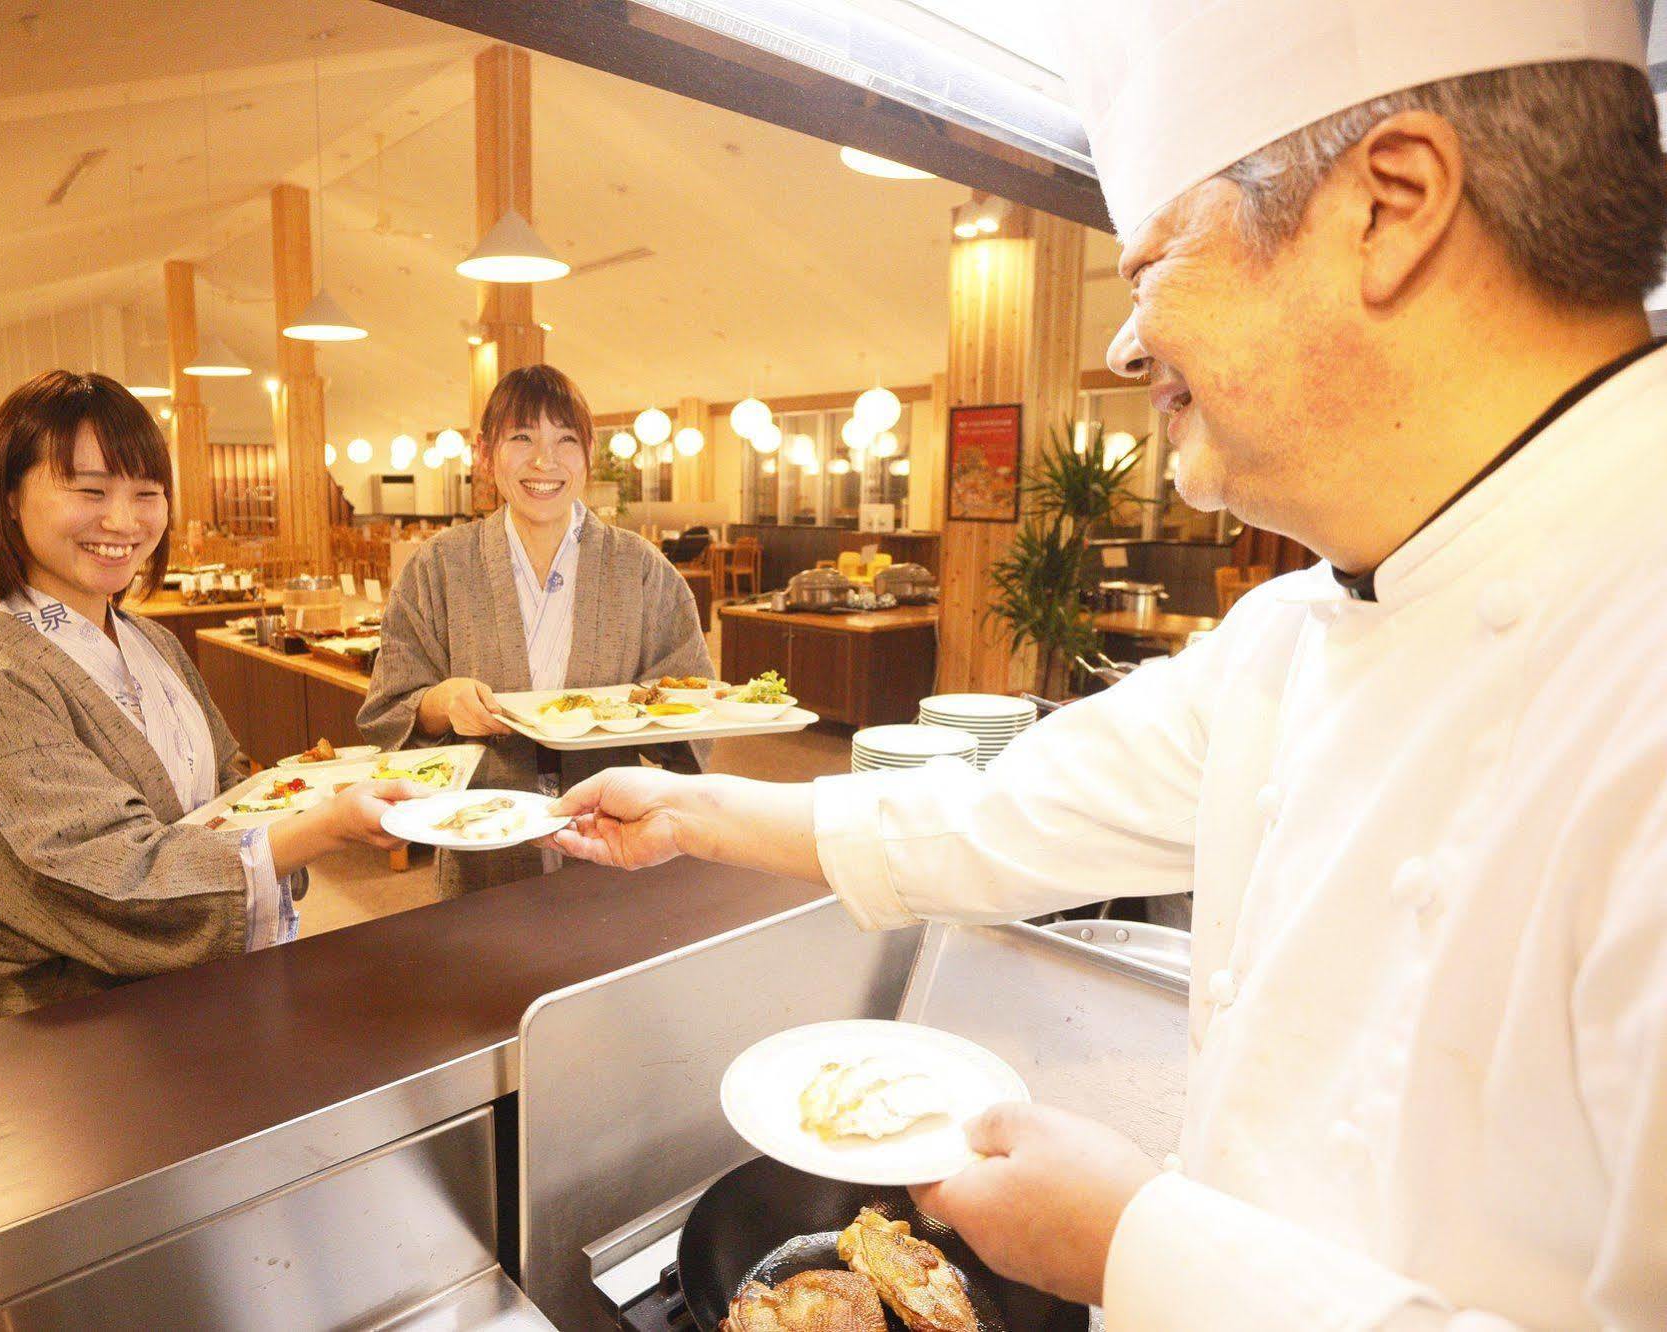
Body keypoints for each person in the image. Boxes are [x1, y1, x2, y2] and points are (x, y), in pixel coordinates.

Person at [551, 3, 1667, 1326]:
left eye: (1151, 264)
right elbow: (1003, 809)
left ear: (1391, 205)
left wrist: (1138, 1250)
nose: (1128, 343)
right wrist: (693, 806)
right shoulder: (1292, 627)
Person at [0, 371, 416, 1021]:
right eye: (89, 490)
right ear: (8, 498)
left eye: (146, 493)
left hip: (207, 1000)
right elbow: (106, 872)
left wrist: (305, 798)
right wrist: (323, 828)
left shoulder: (149, 640)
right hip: (74, 1041)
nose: (122, 520)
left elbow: (230, 786)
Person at [358, 364, 713, 896]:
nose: (544, 461)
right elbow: (388, 710)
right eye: (521, 437)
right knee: (490, 973)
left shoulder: (640, 568)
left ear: (588, 452)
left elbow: (693, 709)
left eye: (565, 439)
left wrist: (653, 714)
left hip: (609, 836)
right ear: (485, 454)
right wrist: (442, 700)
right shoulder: (437, 567)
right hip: (483, 842)